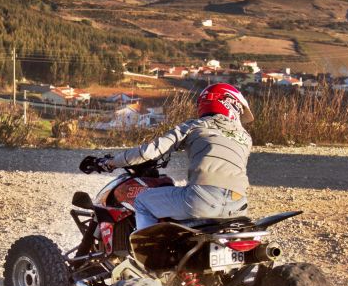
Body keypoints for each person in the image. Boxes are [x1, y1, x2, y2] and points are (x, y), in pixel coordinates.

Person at [107, 83, 253, 231]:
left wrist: (111, 162)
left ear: (208, 102)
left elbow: (148, 152)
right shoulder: (246, 138)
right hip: (238, 205)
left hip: (201, 200)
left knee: (142, 201)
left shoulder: (194, 126)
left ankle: (149, 248)